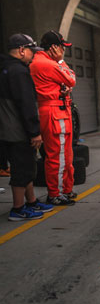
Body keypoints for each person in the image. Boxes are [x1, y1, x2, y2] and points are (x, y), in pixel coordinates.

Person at [0, 33, 54, 220]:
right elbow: (26, 104)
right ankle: (18, 208)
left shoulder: (6, 68)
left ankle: (31, 201)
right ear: (22, 50)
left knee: (27, 166)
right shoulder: (19, 71)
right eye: (32, 51)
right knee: (22, 169)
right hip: (18, 130)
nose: (33, 55)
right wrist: (34, 132)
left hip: (8, 128)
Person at [30, 30, 77, 206]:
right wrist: (61, 62)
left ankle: (65, 189)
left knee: (66, 155)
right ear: (54, 48)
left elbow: (67, 81)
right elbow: (71, 78)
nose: (63, 52)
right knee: (58, 156)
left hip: (58, 111)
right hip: (54, 113)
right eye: (62, 48)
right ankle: (55, 193)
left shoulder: (45, 62)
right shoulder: (48, 63)